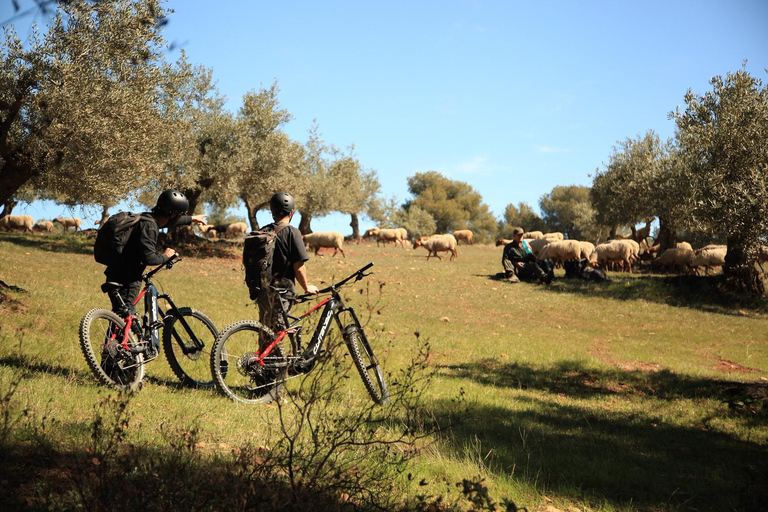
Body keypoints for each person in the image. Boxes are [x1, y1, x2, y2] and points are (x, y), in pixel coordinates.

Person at [104, 189, 206, 315]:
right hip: (128, 279)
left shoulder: (146, 218)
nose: (179, 218)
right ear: (172, 214)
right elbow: (149, 258)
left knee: (119, 316)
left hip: (115, 272)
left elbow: (167, 222)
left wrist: (191, 219)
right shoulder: (150, 226)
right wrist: (166, 256)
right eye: (179, 215)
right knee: (125, 316)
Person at [257, 192, 318, 337]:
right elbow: (299, 267)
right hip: (282, 291)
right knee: (277, 334)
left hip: (262, 290)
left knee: (266, 331)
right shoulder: (293, 232)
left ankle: (263, 352)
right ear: (292, 213)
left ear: (272, 213)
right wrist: (306, 287)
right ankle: (271, 352)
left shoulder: (262, 231)